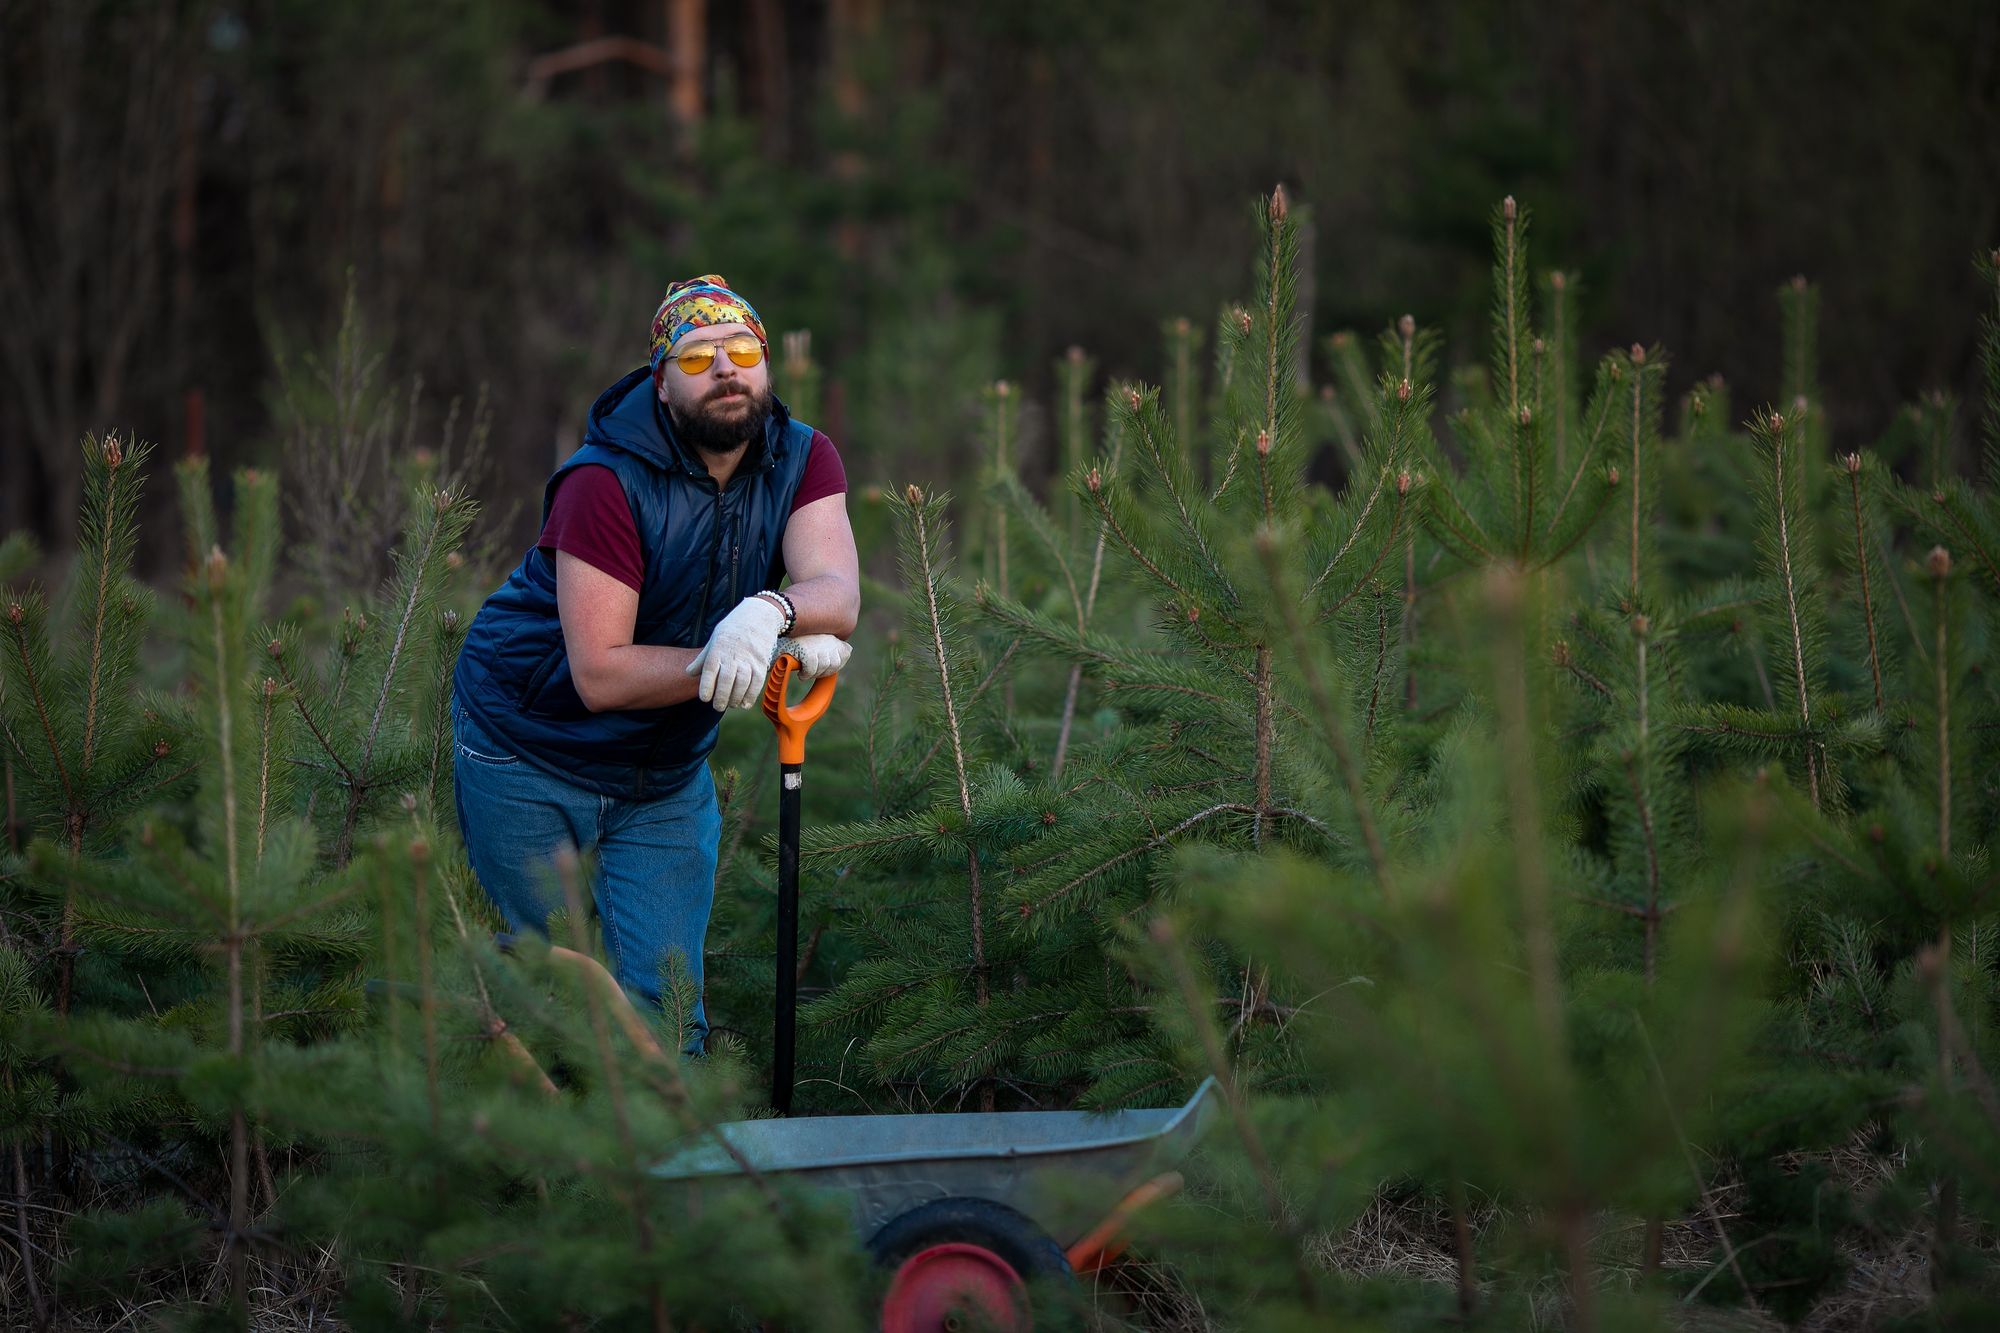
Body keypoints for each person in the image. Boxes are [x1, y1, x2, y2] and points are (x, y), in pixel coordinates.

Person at [450, 275, 859, 1052]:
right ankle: (553, 1164)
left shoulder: (804, 458)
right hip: (530, 745)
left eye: (743, 350)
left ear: (768, 366)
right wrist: (720, 656)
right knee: (552, 986)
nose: (725, 368)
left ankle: (672, 1162)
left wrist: (771, 613)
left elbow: (834, 589)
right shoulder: (603, 481)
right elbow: (599, 674)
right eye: (696, 355)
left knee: (667, 1007)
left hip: (666, 771)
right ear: (662, 385)